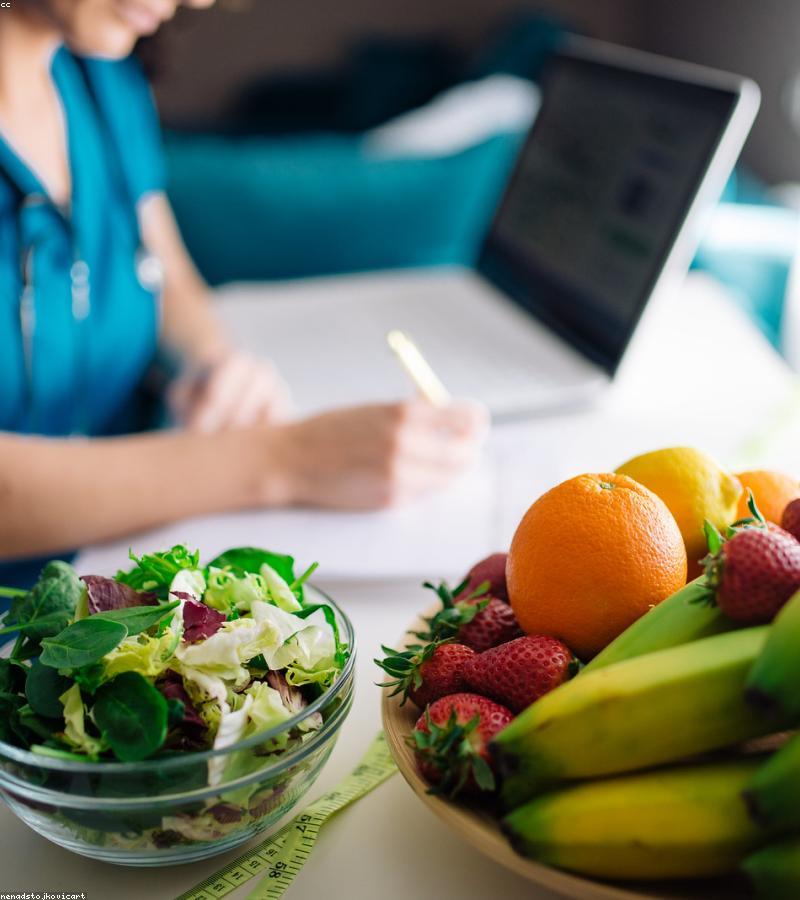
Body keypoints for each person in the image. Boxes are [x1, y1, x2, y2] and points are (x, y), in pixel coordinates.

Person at [0, 0, 487, 584]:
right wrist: (287, 459)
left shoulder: (100, 74)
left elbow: (164, 270)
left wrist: (211, 359)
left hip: (115, 572)